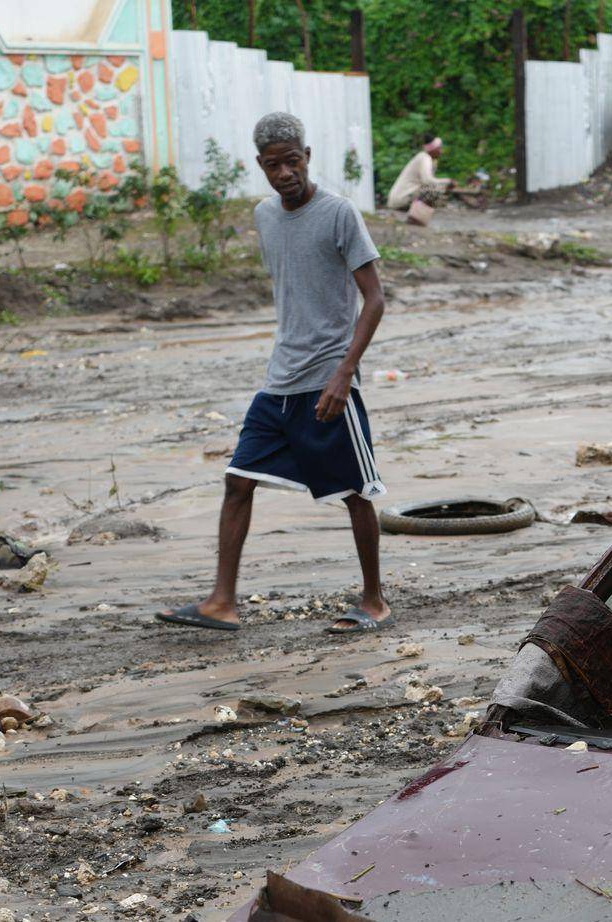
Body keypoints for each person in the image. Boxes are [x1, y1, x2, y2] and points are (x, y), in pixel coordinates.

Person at [157, 112, 391, 635]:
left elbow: (374, 299)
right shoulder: (265, 216)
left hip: (328, 380)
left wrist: (344, 373)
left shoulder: (339, 214)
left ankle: (374, 601)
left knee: (356, 493)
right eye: (272, 165)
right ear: (260, 166)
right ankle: (221, 602)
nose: (284, 173)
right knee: (238, 480)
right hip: (280, 382)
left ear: (307, 157)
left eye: (291, 161)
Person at [385, 136, 455, 211]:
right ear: (433, 149)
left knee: (434, 188)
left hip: (397, 199)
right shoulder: (425, 158)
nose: (441, 152)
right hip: (401, 199)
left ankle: (419, 210)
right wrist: (448, 181)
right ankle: (420, 213)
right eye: (439, 149)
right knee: (435, 189)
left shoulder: (425, 158)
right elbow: (427, 181)